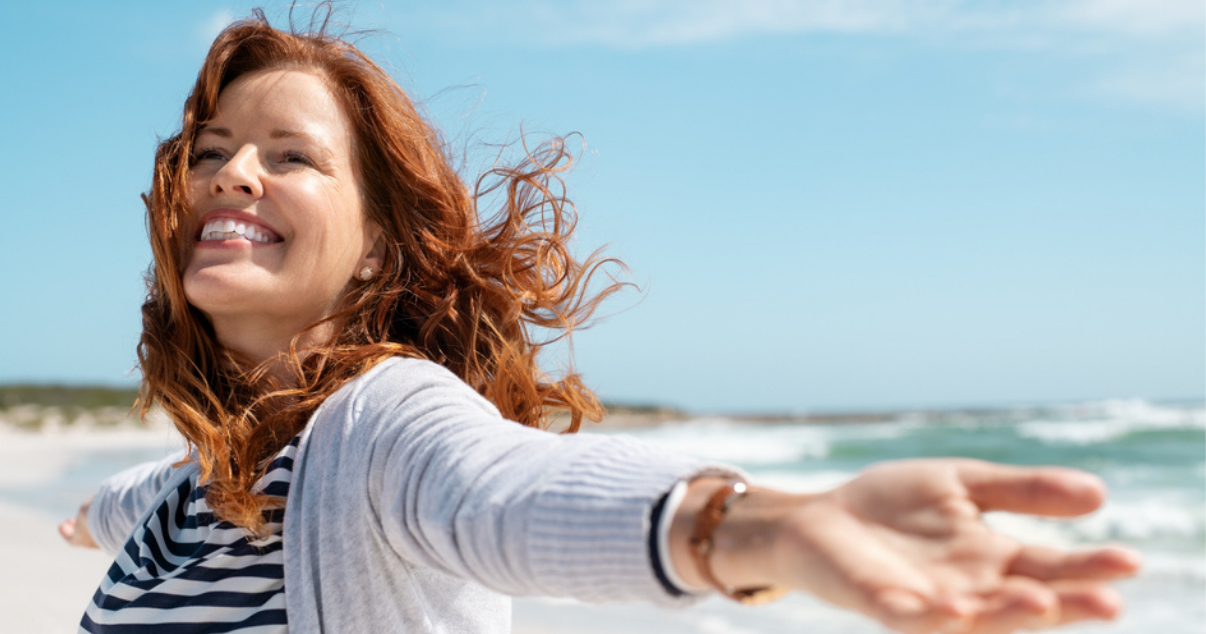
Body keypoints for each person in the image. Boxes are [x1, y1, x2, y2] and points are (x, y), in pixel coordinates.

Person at [60, 10, 1139, 634]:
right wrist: (82, 516)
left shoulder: (379, 429)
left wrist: (755, 528)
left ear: (381, 245)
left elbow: (508, 492)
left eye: (289, 155)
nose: (233, 175)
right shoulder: (200, 482)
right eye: (209, 154)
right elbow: (132, 498)